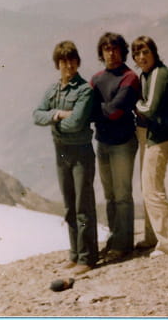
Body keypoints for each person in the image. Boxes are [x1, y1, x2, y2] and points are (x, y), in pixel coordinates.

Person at [33, 40, 98, 275]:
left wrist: (53, 121)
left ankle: (87, 257)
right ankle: (75, 253)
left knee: (83, 204)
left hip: (80, 152)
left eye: (72, 60)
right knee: (70, 205)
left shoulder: (84, 90)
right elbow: (36, 115)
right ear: (57, 64)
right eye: (63, 61)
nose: (68, 65)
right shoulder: (53, 90)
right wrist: (59, 114)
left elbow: (77, 123)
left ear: (78, 62)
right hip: (61, 152)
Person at [131, 36, 168, 257]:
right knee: (149, 187)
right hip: (156, 136)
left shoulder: (159, 74)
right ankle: (158, 236)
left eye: (146, 52)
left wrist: (133, 103)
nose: (142, 57)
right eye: (137, 53)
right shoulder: (147, 75)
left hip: (161, 138)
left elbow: (149, 108)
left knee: (152, 188)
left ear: (154, 53)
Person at [90, 32, 140, 260]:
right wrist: (100, 110)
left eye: (115, 48)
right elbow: (90, 107)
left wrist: (96, 110)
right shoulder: (97, 78)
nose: (111, 53)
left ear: (122, 51)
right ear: (101, 53)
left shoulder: (129, 78)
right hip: (103, 142)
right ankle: (114, 240)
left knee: (122, 195)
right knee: (110, 195)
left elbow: (115, 111)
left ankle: (123, 244)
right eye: (106, 49)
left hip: (122, 142)